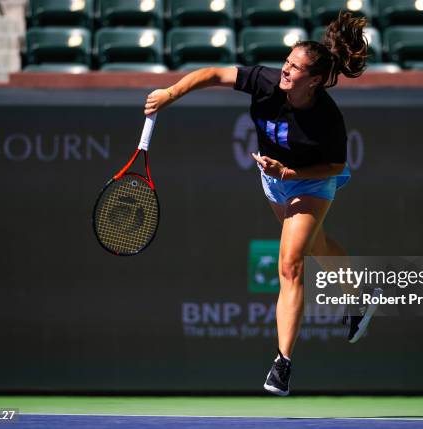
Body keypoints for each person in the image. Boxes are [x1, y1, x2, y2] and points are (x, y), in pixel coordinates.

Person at [145, 12, 380, 396]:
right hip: (274, 180)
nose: (285, 70)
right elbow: (214, 74)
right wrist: (171, 93)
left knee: (291, 264)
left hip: (313, 181)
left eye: (295, 68)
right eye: (286, 62)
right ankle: (360, 296)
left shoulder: (327, 118)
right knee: (316, 246)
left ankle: (282, 364)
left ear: (316, 80)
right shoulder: (266, 80)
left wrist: (290, 173)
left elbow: (335, 166)